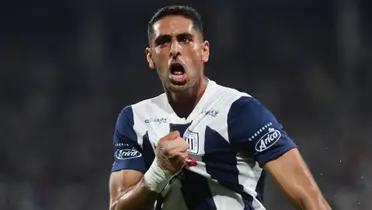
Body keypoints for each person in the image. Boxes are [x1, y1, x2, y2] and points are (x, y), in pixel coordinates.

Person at [108, 5, 331, 210]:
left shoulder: (241, 111)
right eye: (164, 41)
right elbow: (117, 206)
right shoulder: (134, 119)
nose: (175, 49)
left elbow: (311, 200)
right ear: (150, 57)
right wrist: (158, 172)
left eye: (185, 39)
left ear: (204, 51)